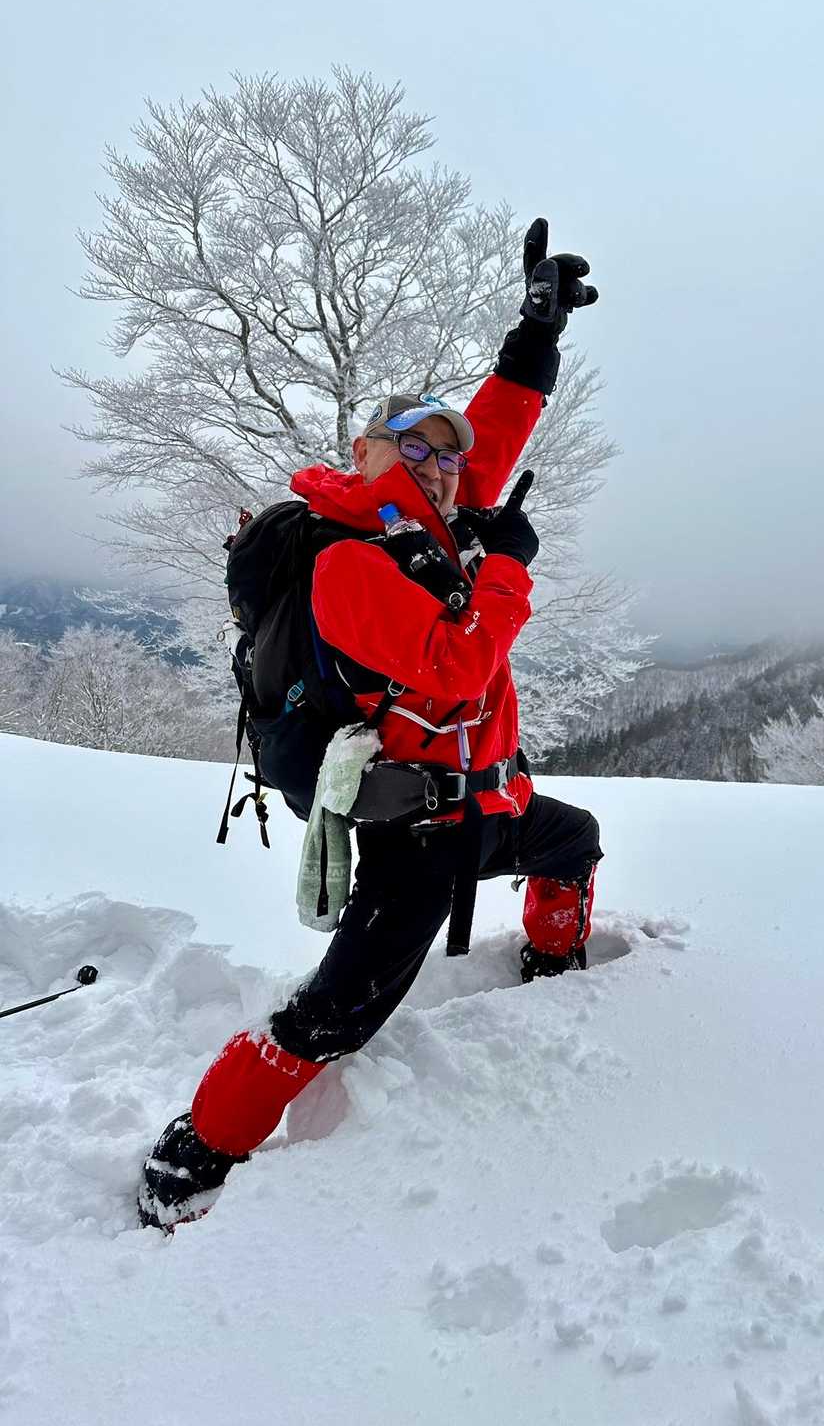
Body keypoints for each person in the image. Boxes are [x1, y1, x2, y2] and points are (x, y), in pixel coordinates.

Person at [138, 220, 603, 1230]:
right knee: (333, 1014)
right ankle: (192, 1152)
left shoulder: (431, 524)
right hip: (414, 835)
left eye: (446, 454)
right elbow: (457, 662)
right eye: (414, 446)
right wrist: (509, 567)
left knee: (573, 839)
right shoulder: (350, 559)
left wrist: (537, 333)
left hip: (483, 806)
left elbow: (494, 430)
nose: (439, 464)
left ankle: (554, 968)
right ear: (366, 452)